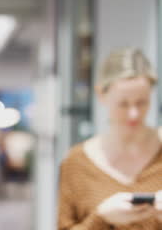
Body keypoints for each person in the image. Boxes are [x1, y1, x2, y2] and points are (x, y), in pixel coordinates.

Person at [58, 48, 162, 229]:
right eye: (123, 103)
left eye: (142, 102)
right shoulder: (76, 163)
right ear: (101, 94)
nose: (134, 114)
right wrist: (101, 218)